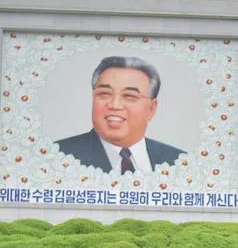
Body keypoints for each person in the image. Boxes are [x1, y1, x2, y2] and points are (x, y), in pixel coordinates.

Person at [55, 56, 185, 173]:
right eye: (104, 94)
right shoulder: (58, 156)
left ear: (151, 108)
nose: (115, 105)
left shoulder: (178, 162)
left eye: (129, 96)